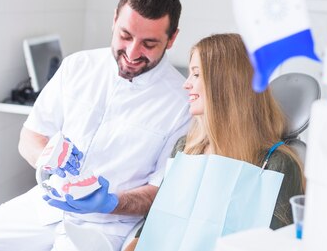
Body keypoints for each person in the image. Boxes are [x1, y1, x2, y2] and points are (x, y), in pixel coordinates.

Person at [0, 0, 191, 251]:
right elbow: (31, 134)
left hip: (105, 227)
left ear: (172, 38)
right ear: (114, 19)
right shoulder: (78, 66)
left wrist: (111, 202)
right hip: (44, 205)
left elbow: (160, 192)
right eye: (125, 36)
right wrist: (45, 157)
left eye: (148, 44)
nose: (131, 53)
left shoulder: (181, 103)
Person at [124, 33, 305, 251]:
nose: (186, 84)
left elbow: (284, 245)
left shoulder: (277, 165)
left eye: (196, 74)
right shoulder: (186, 149)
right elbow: (151, 230)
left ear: (226, 83)